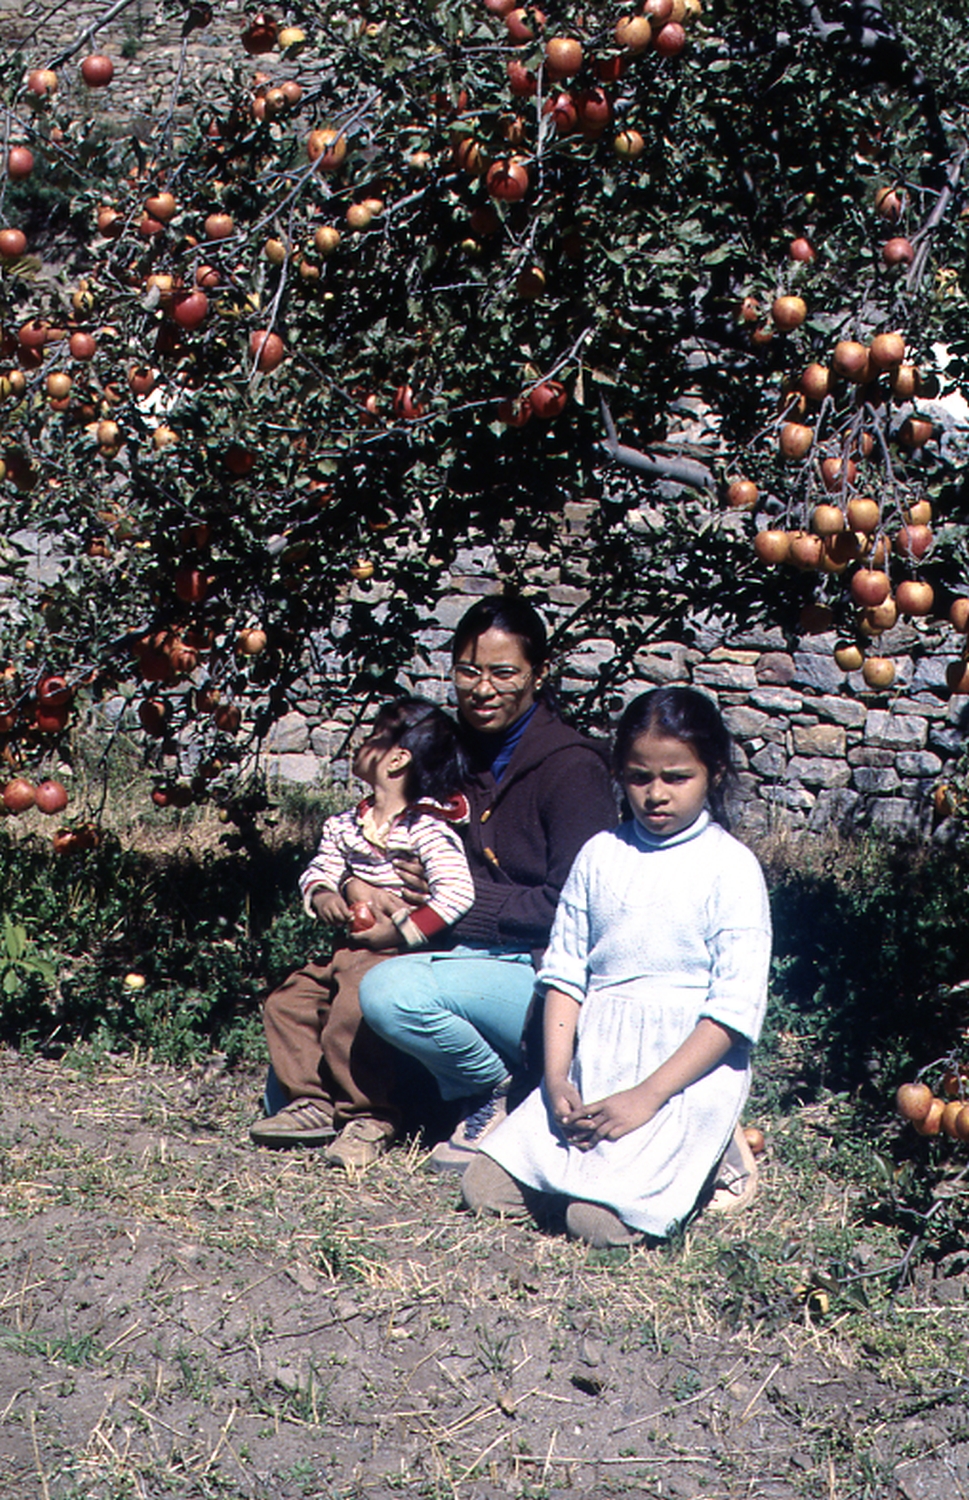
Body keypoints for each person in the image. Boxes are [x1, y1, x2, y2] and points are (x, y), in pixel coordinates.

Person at [460, 686, 772, 1247]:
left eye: (677, 778)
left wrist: (646, 1097)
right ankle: (597, 1168)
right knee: (484, 1190)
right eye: (637, 777)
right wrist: (558, 1080)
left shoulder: (731, 868)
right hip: (597, 1059)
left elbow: (732, 1013)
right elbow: (564, 975)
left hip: (680, 1074)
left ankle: (716, 1157)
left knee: (594, 1222)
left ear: (714, 773)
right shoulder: (601, 854)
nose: (655, 795)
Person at [356, 596, 618, 1172]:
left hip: (541, 971)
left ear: (538, 674)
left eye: (504, 673)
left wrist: (453, 904)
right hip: (462, 952)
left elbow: (574, 906)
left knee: (388, 993)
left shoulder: (572, 769)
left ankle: (492, 1093)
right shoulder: (451, 752)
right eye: (468, 670)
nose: (482, 689)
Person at [251, 697, 474, 1168]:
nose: (360, 744)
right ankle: (311, 1101)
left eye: (373, 737)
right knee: (287, 1002)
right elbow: (319, 869)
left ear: (397, 758)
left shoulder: (428, 830)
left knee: (353, 1011)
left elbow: (457, 894)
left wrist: (399, 934)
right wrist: (324, 895)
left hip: (394, 956)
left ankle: (369, 1115)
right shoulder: (346, 824)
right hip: (347, 948)